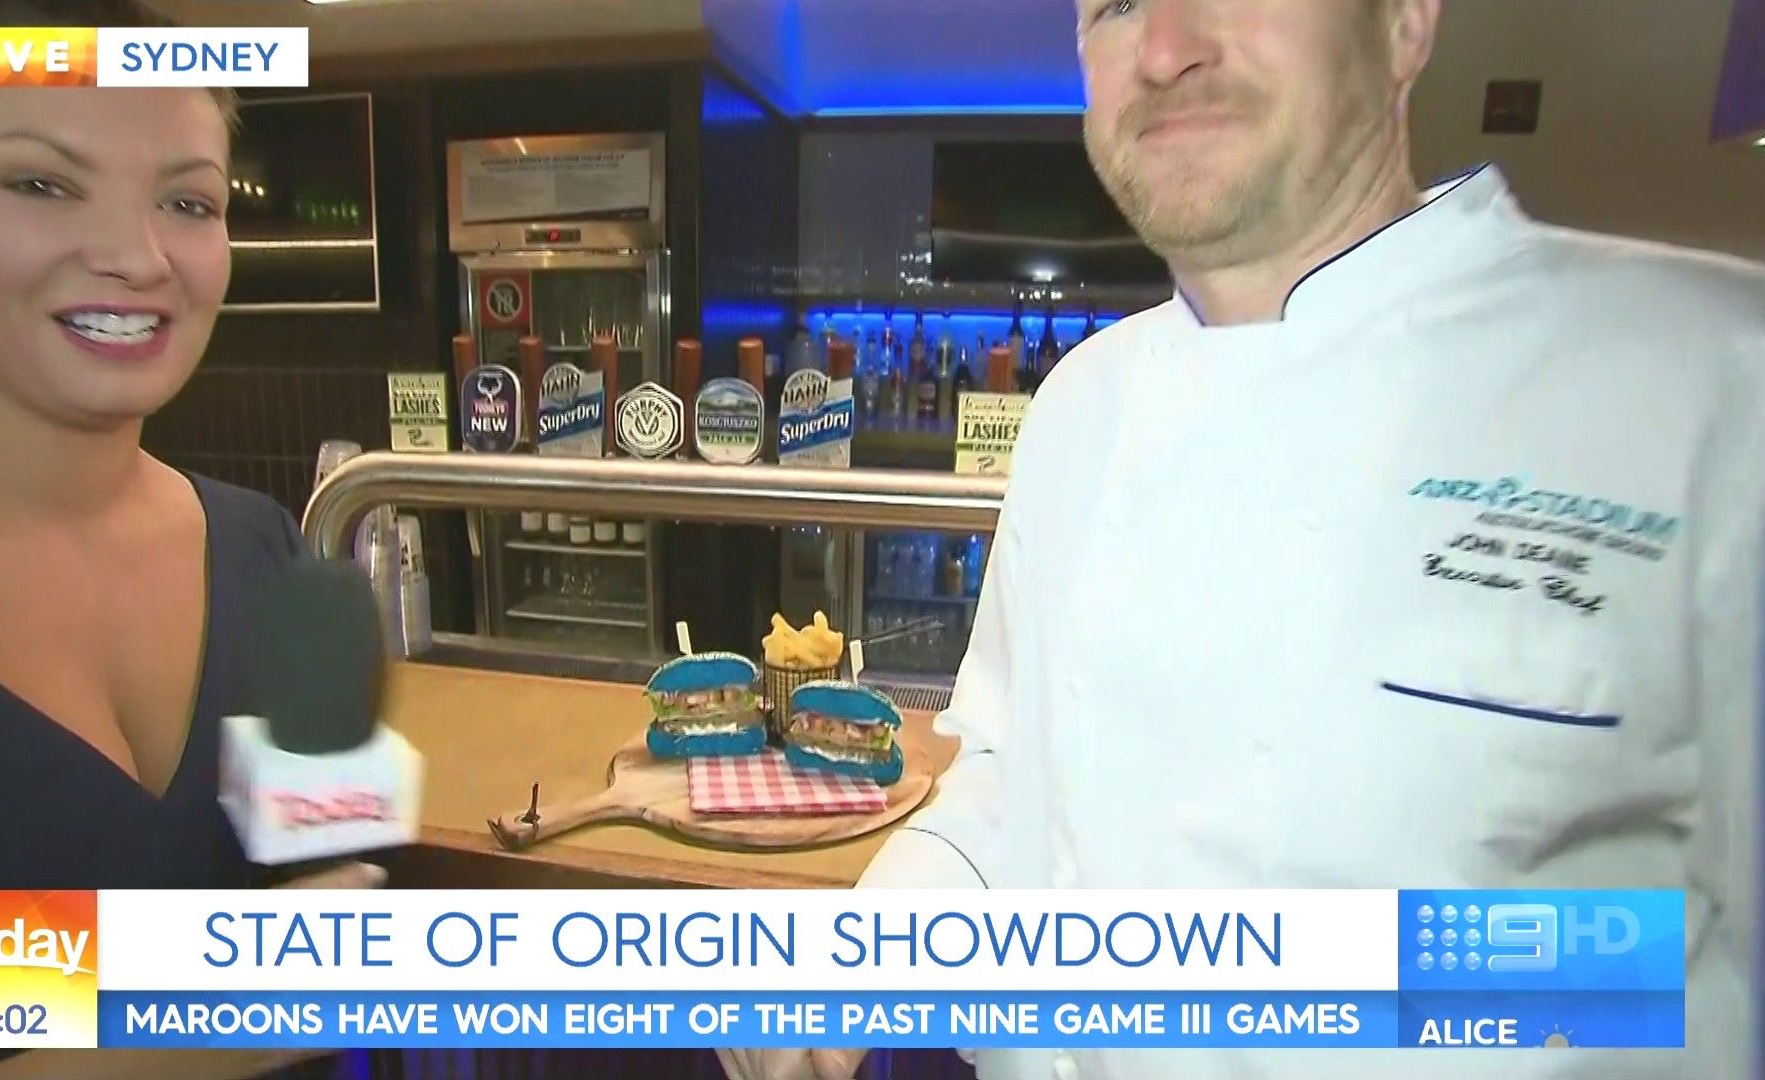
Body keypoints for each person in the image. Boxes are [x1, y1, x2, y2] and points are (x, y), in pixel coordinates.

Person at [723, 0, 1763, 1077]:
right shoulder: (1080, 403)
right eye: (1116, 2)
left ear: (1406, 24)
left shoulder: (1716, 382)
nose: (1166, 48)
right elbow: (1009, 782)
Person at [0, 3, 383, 1078]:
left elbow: (338, 920)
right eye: (41, 184)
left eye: (187, 201)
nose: (136, 258)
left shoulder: (272, 555)